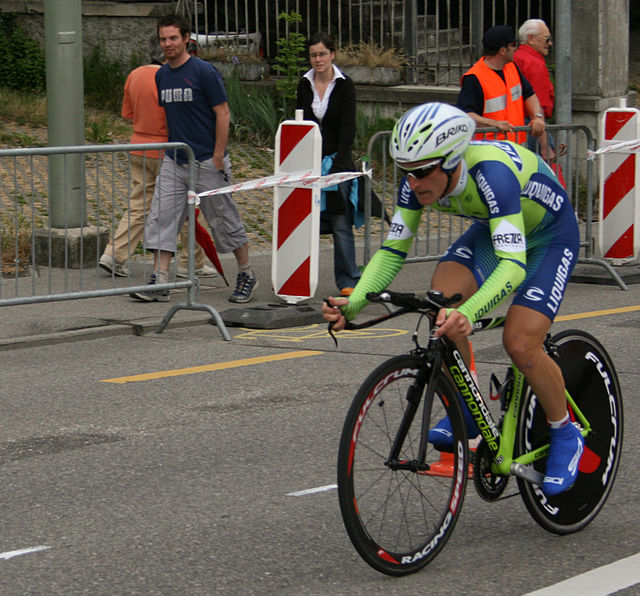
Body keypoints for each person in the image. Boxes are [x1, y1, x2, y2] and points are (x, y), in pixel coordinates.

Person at [322, 102, 584, 497]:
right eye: (406, 172)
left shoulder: (491, 175)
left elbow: (512, 266)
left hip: (549, 236)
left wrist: (469, 313)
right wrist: (356, 301)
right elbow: (393, 251)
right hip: (498, 232)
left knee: (520, 342)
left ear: (452, 160)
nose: (413, 183)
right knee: (440, 298)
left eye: (423, 171)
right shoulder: (420, 180)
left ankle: (566, 431)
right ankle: (469, 406)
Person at [130, 14, 257, 303]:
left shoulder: (203, 72)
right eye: (163, 39)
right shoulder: (161, 75)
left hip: (206, 159)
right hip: (175, 160)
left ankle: (247, 273)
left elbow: (222, 113)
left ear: (186, 38)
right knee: (162, 216)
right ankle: (160, 280)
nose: (168, 44)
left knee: (223, 220)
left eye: (173, 38)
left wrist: (217, 155)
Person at [99, 34, 216, 279]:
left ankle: (114, 253)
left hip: (139, 146)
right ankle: (190, 261)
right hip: (170, 150)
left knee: (139, 204)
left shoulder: (135, 75)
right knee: (189, 206)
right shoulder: (172, 78)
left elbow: (127, 114)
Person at [296, 32, 361, 296]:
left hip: (337, 159)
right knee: (302, 220)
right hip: (309, 160)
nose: (318, 59)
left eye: (322, 54)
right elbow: (299, 122)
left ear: (332, 54)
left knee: (340, 221)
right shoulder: (304, 83)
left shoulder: (345, 86)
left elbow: (348, 127)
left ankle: (349, 282)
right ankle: (296, 279)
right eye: (313, 55)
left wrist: (340, 164)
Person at [457, 25, 547, 152]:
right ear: (503, 50)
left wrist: (537, 116)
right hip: (489, 149)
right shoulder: (474, 77)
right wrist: (495, 124)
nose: (516, 49)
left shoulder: (512, 67)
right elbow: (465, 114)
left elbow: (529, 95)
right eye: (513, 45)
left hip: (516, 145)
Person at [514, 19, 556, 161]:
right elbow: (539, 107)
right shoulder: (534, 64)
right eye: (546, 39)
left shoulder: (516, 58)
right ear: (531, 39)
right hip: (533, 129)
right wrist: (544, 146)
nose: (549, 43)